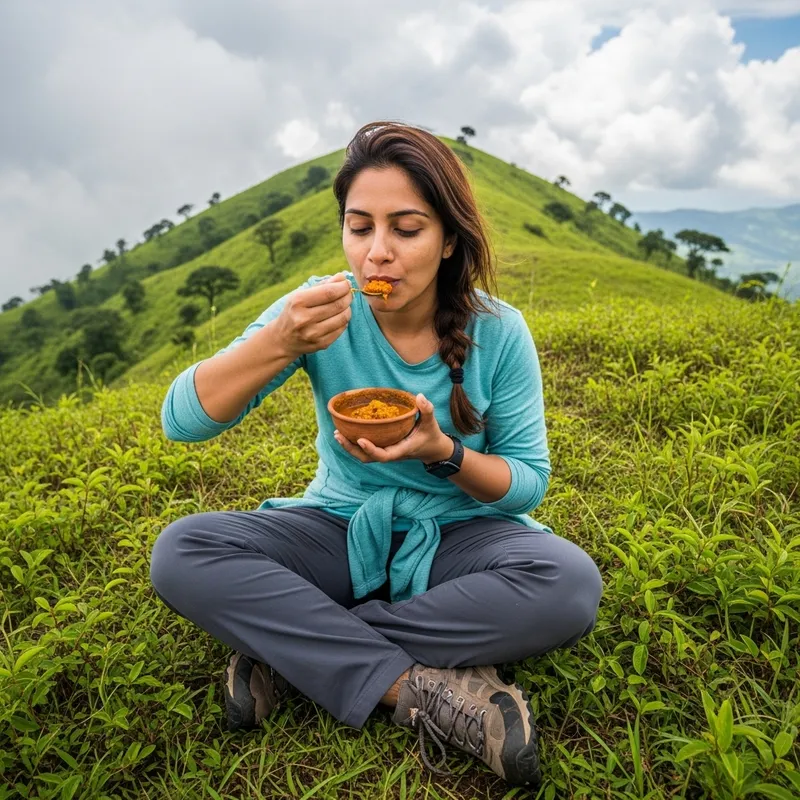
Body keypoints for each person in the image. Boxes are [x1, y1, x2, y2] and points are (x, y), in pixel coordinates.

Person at [150, 120, 603, 788]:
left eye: (407, 229)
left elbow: (526, 484)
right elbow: (181, 420)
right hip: (338, 527)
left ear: (449, 240)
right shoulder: (316, 311)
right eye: (360, 228)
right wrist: (280, 340)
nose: (377, 253)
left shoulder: (498, 332)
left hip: (461, 538)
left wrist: (443, 452)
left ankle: (286, 647)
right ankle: (418, 690)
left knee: (567, 585)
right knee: (183, 551)